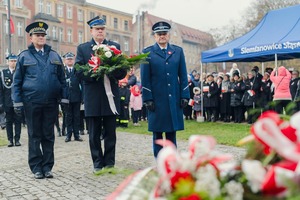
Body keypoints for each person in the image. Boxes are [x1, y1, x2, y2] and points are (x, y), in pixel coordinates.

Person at [12, 21, 68, 179]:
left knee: (48, 135)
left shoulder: (54, 55)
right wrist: (17, 102)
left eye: (43, 35)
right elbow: (16, 82)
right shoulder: (24, 56)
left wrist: (64, 99)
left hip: (51, 102)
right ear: (31, 38)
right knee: (34, 134)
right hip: (32, 101)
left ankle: (48, 166)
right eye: (38, 35)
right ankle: (36, 167)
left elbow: (62, 80)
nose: (41, 37)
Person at [75, 16, 127, 173]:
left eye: (102, 29)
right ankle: (97, 163)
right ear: (91, 31)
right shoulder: (83, 49)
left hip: (110, 96)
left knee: (111, 131)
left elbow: (122, 70)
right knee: (94, 133)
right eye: (97, 29)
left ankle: (110, 162)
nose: (100, 31)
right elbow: (78, 71)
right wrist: (96, 72)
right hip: (93, 96)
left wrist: (112, 70)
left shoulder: (114, 46)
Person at [140, 21, 190, 158]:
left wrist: (185, 95)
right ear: (154, 36)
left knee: (171, 132)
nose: (162, 36)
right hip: (156, 99)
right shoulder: (147, 52)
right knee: (157, 133)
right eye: (159, 34)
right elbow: (145, 78)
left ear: (169, 35)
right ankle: (159, 160)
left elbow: (183, 75)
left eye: (164, 33)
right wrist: (148, 98)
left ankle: (172, 160)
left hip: (173, 97)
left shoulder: (177, 51)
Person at [0, 54, 22, 147]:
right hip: (7, 101)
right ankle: (10, 140)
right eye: (11, 61)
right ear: (8, 62)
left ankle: (17, 139)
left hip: (17, 102)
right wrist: (1, 102)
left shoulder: (19, 72)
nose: (13, 63)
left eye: (15, 61)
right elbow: (0, 90)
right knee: (8, 121)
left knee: (18, 121)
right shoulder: (3, 73)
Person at [63, 52, 83, 143]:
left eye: (71, 59)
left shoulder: (77, 71)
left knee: (77, 116)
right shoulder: (63, 71)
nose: (69, 61)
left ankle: (76, 134)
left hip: (76, 97)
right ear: (65, 60)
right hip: (66, 98)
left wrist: (82, 97)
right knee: (68, 117)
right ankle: (68, 135)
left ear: (73, 60)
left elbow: (82, 84)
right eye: (68, 59)